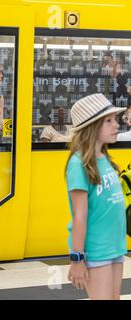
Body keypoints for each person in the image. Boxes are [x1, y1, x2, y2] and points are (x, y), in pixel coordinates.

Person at [65, 93, 127, 300]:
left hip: (115, 246)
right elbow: (79, 215)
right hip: (97, 249)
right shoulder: (78, 164)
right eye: (108, 121)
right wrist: (77, 259)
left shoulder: (105, 159)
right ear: (91, 128)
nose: (116, 125)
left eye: (115, 120)